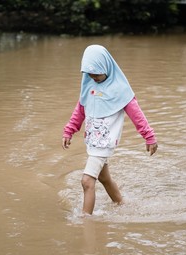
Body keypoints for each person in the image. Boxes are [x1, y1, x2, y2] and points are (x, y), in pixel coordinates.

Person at [62, 44, 157, 215]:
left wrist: (149, 136)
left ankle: (85, 220)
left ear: (106, 67)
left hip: (103, 144)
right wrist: (69, 130)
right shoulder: (89, 86)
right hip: (93, 141)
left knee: (87, 181)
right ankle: (121, 203)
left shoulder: (120, 90)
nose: (94, 78)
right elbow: (80, 110)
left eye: (97, 74)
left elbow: (137, 115)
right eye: (90, 75)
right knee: (104, 178)